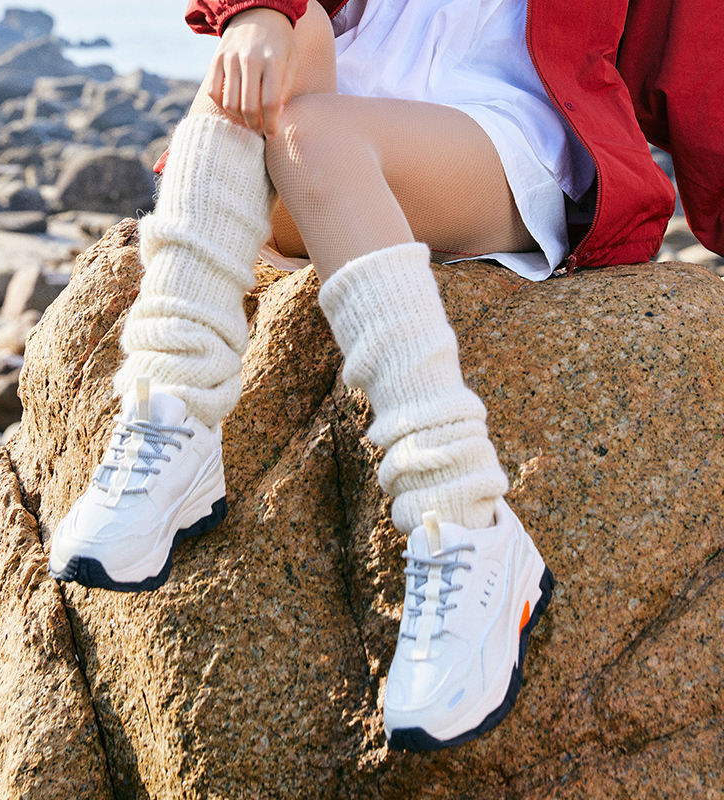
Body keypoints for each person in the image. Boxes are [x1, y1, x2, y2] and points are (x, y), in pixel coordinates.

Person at [47, 0, 722, 753]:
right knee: (278, 38)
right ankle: (172, 410)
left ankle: (463, 519)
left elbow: (695, 63)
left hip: (502, 133)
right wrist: (254, 14)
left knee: (313, 138)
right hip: (337, 98)